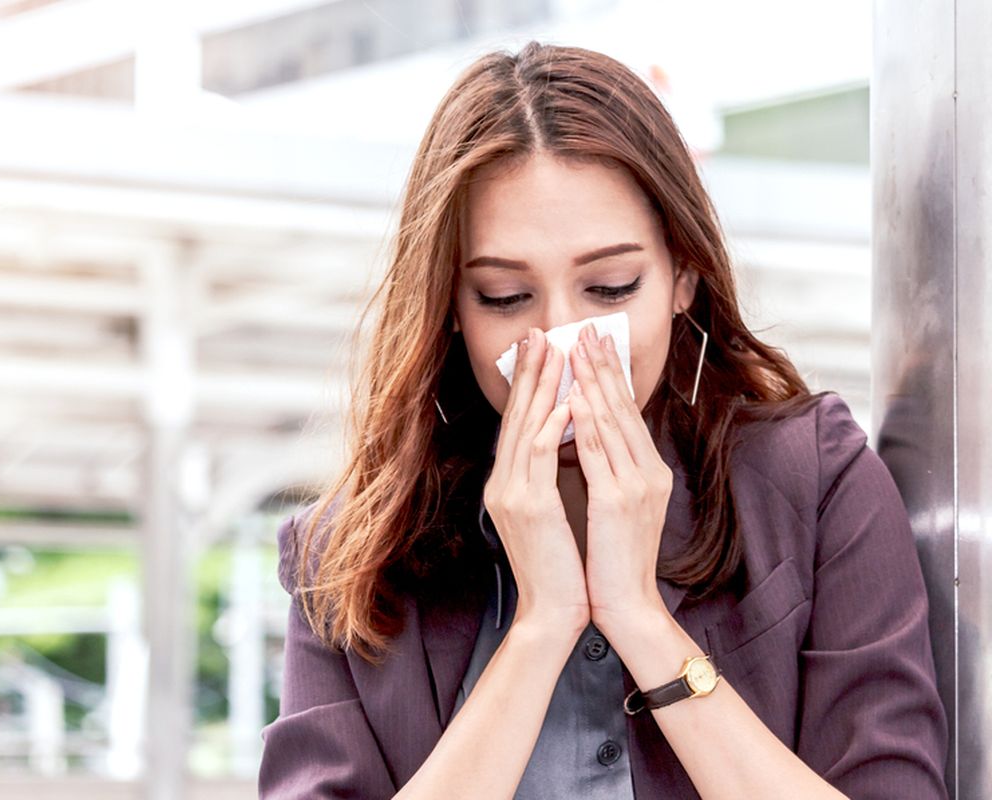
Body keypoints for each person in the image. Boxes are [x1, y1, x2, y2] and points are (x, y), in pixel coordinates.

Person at [257, 41, 948, 799]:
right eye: (503, 297)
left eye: (611, 287)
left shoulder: (816, 482)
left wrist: (640, 619)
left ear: (684, 275)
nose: (561, 339)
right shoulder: (346, 561)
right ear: (450, 310)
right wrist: (540, 628)